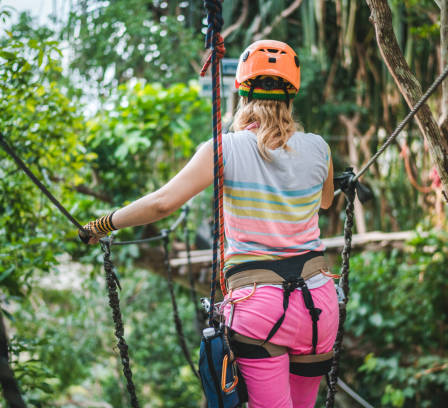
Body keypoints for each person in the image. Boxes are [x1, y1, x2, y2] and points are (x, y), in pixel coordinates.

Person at [81, 40, 338, 408]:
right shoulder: (319, 148)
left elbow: (161, 203)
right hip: (318, 303)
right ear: (292, 92)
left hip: (259, 308)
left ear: (242, 92)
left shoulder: (224, 149)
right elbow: (325, 201)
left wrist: (102, 224)